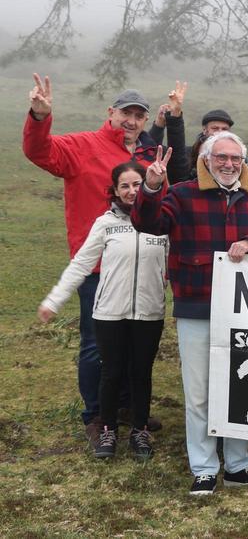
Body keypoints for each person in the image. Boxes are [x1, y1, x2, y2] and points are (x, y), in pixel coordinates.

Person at [131, 131, 248, 495]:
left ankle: (238, 465)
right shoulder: (182, 194)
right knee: (200, 392)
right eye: (222, 157)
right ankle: (204, 468)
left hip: (243, 312)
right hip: (197, 306)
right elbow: (148, 224)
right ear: (206, 159)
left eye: (236, 159)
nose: (229, 164)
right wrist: (152, 188)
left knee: (241, 388)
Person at [23, 74, 180, 444]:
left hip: (142, 267)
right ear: (111, 113)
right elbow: (38, 152)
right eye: (126, 112)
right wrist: (39, 116)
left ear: (145, 121)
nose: (132, 121)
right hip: (98, 268)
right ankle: (95, 414)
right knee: (97, 345)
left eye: (139, 116)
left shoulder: (147, 156)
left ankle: (124, 406)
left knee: (133, 343)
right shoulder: (82, 145)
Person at [37, 162, 168, 460]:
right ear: (115, 190)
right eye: (125, 186)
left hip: (149, 311)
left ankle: (139, 431)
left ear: (148, 185)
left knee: (141, 372)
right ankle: (107, 429)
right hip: (109, 312)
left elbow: (175, 262)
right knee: (111, 372)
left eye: (138, 184)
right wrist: (54, 300)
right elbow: (82, 264)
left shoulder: (162, 223)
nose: (132, 191)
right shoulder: (105, 223)